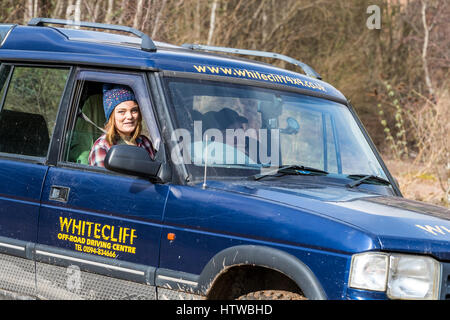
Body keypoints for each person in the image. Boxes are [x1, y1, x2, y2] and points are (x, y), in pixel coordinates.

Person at [88, 84, 155, 167]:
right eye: (121, 112)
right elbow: (103, 179)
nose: (129, 116)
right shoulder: (102, 146)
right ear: (111, 117)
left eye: (134, 110)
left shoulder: (145, 142)